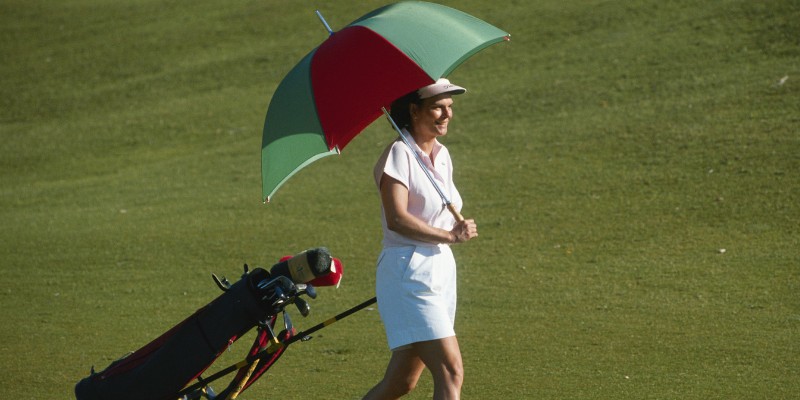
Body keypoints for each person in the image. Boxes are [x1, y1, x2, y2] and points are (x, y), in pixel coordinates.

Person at [363, 79, 479, 400]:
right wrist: (450, 235)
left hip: (439, 272)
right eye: (437, 107)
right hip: (409, 274)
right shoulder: (399, 153)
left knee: (401, 382)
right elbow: (397, 218)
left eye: (450, 107)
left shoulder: (442, 155)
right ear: (414, 111)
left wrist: (449, 236)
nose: (446, 114)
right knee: (451, 370)